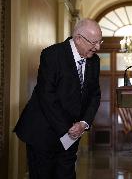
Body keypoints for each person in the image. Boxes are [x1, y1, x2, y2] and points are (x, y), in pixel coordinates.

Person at [14, 18, 102, 179]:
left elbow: (95, 95)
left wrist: (83, 123)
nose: (98, 47)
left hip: (71, 136)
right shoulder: (52, 54)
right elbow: (47, 96)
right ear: (78, 39)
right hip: (42, 132)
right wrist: (68, 128)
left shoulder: (94, 61)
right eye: (94, 42)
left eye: (100, 41)